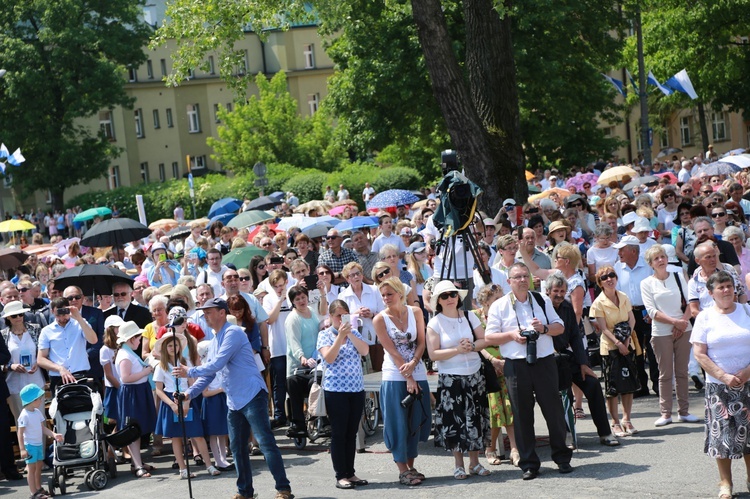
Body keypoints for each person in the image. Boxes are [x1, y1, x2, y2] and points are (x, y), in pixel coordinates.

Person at [173, 298, 294, 499]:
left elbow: (217, 364)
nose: (205, 315)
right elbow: (209, 375)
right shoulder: (214, 341)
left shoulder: (234, 333)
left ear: (222, 313)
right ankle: (245, 492)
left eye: (209, 311)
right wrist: (188, 393)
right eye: (203, 312)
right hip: (235, 401)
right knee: (237, 448)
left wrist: (190, 371)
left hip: (252, 395)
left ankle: (283, 489)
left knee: (265, 442)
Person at [484, 263, 573, 480]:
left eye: (526, 276)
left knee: (553, 411)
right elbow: (489, 337)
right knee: (522, 415)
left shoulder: (541, 299)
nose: (523, 280)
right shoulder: (499, 306)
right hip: (515, 365)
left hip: (544, 362)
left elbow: (559, 327)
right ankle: (529, 463)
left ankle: (562, 458)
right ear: (509, 282)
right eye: (517, 277)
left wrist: (543, 328)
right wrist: (512, 335)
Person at [691, 271, 750, 499]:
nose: (726, 290)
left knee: (749, 435)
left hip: (747, 384)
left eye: (729, 286)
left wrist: (746, 373)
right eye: (721, 287)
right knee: (722, 435)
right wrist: (723, 376)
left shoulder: (746, 311)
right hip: (719, 387)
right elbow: (699, 353)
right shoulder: (705, 317)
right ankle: (725, 483)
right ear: (710, 293)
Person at [426, 280, 492, 480]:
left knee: (475, 419)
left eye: (452, 295)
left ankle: (475, 462)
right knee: (455, 421)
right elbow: (433, 354)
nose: (449, 299)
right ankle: (458, 464)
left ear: (458, 297)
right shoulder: (435, 322)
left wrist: (471, 346)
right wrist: (457, 349)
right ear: (438, 300)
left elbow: (484, 340)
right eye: (444, 296)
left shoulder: (470, 316)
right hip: (451, 378)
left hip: (474, 374)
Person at [545, 274, 619, 447]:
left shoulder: (567, 307)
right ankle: (566, 435)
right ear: (548, 291)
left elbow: (575, 337)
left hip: (567, 357)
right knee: (562, 395)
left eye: (562, 291)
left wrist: (584, 364)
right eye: (555, 291)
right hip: (548, 360)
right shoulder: (541, 307)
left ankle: (605, 433)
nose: (559, 294)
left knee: (593, 384)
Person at [372, 277, 431, 486]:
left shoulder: (415, 312)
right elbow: (391, 350)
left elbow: (422, 342)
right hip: (395, 373)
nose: (386, 298)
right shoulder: (380, 319)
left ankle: (410, 464)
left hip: (417, 369)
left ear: (400, 293)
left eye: (389, 294)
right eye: (383, 295)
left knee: (416, 420)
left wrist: (414, 363)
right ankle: (402, 469)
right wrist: (408, 376)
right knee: (397, 422)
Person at [640, 245, 699, 427]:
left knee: (682, 372)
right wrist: (675, 323)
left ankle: (684, 411)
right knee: (665, 373)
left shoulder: (679, 276)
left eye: (663, 256)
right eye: (656, 258)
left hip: (684, 328)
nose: (661, 260)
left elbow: (691, 302)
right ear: (650, 263)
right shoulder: (646, 283)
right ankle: (665, 413)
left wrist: (682, 322)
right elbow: (652, 311)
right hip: (661, 331)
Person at [317, 300, 370, 490]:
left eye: (344, 315)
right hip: (336, 390)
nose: (341, 319)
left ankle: (350, 472)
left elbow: (364, 350)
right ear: (331, 317)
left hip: (356, 389)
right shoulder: (324, 335)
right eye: (338, 316)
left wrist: (349, 333)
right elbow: (329, 358)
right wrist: (340, 336)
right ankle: (341, 474)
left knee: (351, 432)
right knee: (339, 434)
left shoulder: (353, 333)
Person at [153, 331, 219, 478]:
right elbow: (159, 390)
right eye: (169, 345)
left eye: (175, 344)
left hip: (186, 397)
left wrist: (187, 400)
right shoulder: (160, 366)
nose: (172, 347)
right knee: (176, 437)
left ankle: (209, 465)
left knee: (197, 434)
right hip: (171, 400)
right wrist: (172, 404)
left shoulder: (185, 362)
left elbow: (192, 383)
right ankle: (183, 469)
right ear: (164, 347)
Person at [589, 265, 640, 439]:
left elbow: (631, 319)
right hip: (609, 347)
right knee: (612, 387)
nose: (609, 279)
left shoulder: (624, 296)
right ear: (600, 283)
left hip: (628, 344)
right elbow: (603, 329)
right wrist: (619, 343)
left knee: (629, 384)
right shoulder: (598, 303)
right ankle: (615, 422)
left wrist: (626, 341)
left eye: (612, 275)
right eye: (604, 277)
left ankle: (627, 420)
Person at [473, 285, 519, 466]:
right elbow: (477, 343)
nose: (501, 302)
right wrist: (493, 360)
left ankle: (515, 448)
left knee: (511, 406)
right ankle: (490, 448)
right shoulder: (474, 316)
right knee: (495, 409)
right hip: (486, 367)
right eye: (496, 299)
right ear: (485, 302)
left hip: (507, 363)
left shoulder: (505, 313)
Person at [115, 321, 157, 478]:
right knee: (133, 431)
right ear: (130, 338)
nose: (140, 341)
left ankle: (137, 463)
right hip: (132, 394)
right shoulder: (125, 355)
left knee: (137, 430)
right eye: (138, 338)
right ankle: (138, 465)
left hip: (138, 392)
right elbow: (125, 378)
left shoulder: (128, 353)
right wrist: (146, 372)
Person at [37, 297, 98, 393]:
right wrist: (60, 369)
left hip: (80, 374)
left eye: (64, 313)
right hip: (58, 376)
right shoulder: (46, 331)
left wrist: (78, 317)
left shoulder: (80, 323)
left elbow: (93, 340)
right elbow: (40, 359)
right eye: (58, 314)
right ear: (52, 311)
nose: (62, 318)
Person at [284, 285, 323, 437]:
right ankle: (298, 424)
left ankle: (322, 418)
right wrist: (302, 358)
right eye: (297, 299)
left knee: (319, 383)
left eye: (303, 297)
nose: (301, 301)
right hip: (299, 364)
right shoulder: (293, 319)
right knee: (293, 383)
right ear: (293, 302)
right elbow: (294, 342)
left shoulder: (312, 312)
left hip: (316, 361)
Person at [17, 384, 63, 499]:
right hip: (30, 446)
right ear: (32, 400)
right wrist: (22, 449)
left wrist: (53, 434)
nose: (42, 400)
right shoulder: (24, 415)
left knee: (38, 468)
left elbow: (43, 428)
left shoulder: (37, 412)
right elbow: (20, 433)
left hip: (38, 445)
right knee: (31, 469)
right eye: (39, 398)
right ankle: (33, 493)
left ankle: (38, 488)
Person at [0, 301, 44, 420]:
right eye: (14, 316)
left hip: (36, 380)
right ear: (8, 317)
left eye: (20, 314)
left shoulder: (35, 329)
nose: (18, 318)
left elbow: (44, 351)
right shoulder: (3, 335)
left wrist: (38, 362)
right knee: (21, 421)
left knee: (39, 420)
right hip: (14, 383)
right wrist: (11, 367)